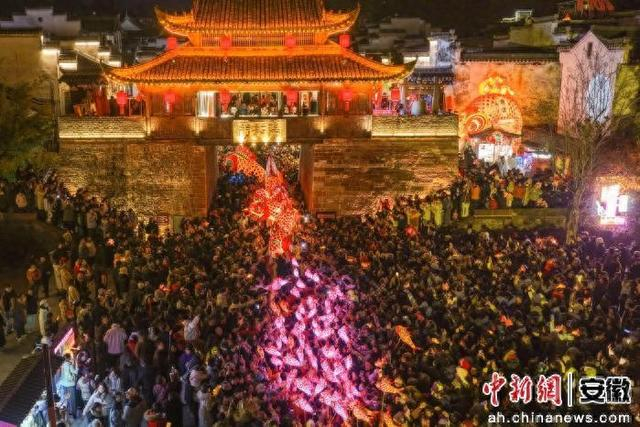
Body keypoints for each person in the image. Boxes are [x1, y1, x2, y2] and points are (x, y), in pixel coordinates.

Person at [58, 353, 78, 418]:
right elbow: (76, 372)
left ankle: (69, 412)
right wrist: (76, 365)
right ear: (68, 358)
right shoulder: (69, 365)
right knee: (72, 399)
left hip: (63, 384)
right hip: (70, 384)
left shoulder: (61, 365)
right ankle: (74, 414)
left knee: (67, 398)